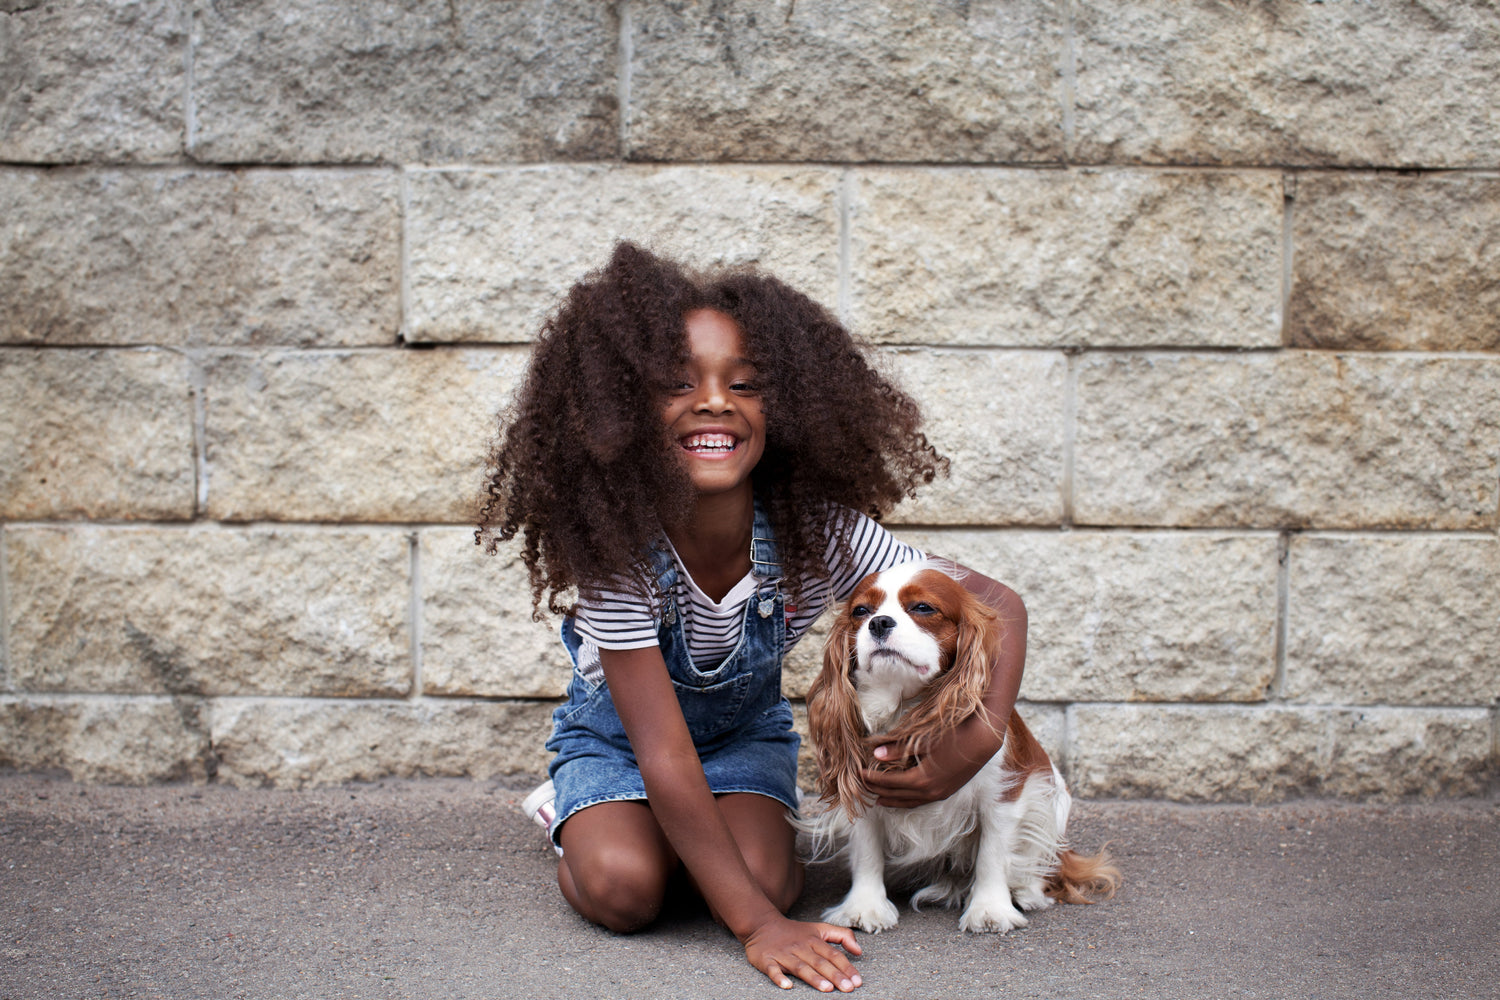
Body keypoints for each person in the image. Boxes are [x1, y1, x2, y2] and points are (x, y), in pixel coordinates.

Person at [476, 242, 1027, 993]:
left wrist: (977, 740)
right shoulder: (619, 558)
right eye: (678, 383)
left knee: (767, 881)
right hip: (624, 747)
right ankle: (575, 815)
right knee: (626, 891)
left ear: (789, 407)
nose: (714, 401)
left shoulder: (821, 533)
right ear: (620, 413)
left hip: (741, 741)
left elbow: (1002, 605)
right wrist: (759, 930)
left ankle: (678, 839)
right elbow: (663, 754)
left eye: (745, 384)